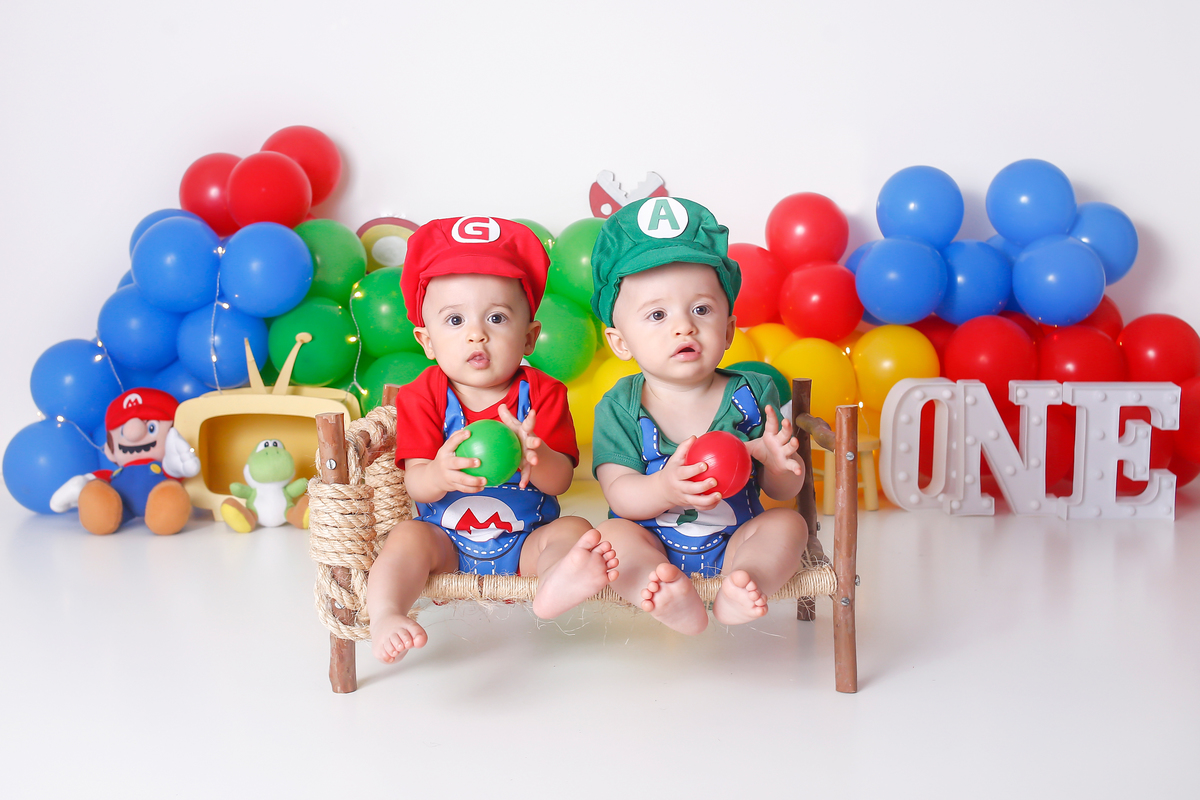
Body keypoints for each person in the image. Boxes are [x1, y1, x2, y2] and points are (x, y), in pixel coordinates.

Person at [365, 216, 618, 664]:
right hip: (445, 543)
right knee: (405, 536)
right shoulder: (423, 395)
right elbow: (415, 484)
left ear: (530, 337)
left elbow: (560, 481)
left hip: (527, 542)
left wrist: (534, 457)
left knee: (576, 530)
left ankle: (557, 581)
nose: (476, 333)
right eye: (455, 319)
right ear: (427, 341)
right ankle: (386, 613)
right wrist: (439, 473)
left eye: (497, 318)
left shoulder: (543, 393)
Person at [590, 197, 808, 635]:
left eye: (702, 309)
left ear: (728, 330)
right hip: (650, 541)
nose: (684, 326)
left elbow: (782, 491)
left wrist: (779, 463)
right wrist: (665, 487)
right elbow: (621, 495)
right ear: (620, 343)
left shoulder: (752, 392)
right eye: (657, 314)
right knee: (610, 539)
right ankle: (659, 590)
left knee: (789, 523)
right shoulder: (620, 405)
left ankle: (745, 582)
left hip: (736, 541)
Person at [49, 387, 200, 535]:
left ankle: (166, 515)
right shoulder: (115, 472)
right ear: (110, 447)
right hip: (122, 505)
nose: (133, 435)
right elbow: (101, 478)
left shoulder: (167, 464)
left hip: (160, 494)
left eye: (151, 427)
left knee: (169, 494)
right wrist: (82, 483)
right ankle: (102, 517)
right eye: (122, 431)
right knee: (97, 491)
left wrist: (177, 464)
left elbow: (173, 469)